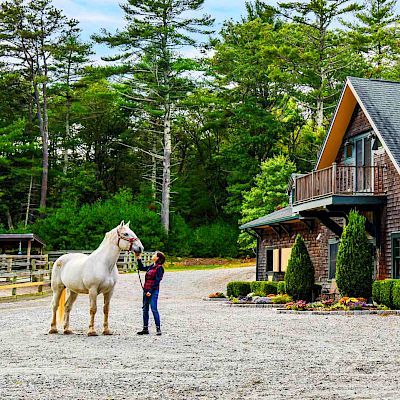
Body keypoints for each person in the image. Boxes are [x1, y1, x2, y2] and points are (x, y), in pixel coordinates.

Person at [136, 251, 165, 336]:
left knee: (154, 309)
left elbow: (157, 280)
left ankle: (158, 328)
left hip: (153, 291)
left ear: (158, 258)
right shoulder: (152, 266)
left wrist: (150, 291)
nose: (153, 255)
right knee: (145, 309)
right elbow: (141, 268)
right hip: (146, 290)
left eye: (154, 255)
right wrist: (138, 258)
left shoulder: (159, 268)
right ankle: (145, 329)